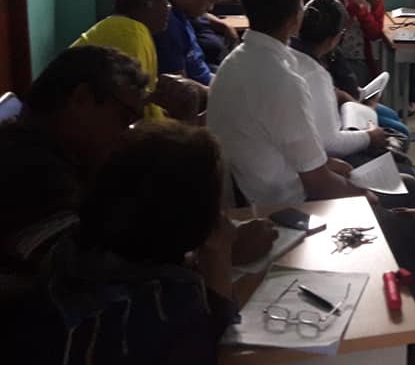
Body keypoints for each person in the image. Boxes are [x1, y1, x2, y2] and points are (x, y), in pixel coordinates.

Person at [0, 47, 276, 274]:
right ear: (81, 99)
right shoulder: (26, 168)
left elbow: (131, 217)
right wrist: (217, 255)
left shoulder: (64, 151)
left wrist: (183, 127)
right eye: (125, 118)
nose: (128, 134)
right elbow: (81, 274)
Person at [10, 122, 238, 364]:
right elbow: (221, 347)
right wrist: (219, 255)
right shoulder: (170, 303)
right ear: (198, 222)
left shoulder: (66, 255)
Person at [208, 0, 366, 206]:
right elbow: (318, 183)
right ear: (295, 18)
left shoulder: (233, 62)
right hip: (283, 206)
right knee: (402, 187)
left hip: (257, 187)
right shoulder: (283, 80)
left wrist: (325, 163)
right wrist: (367, 198)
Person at [72, 0, 197, 121]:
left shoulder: (122, 27)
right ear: (148, 1)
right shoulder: (130, 33)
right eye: (165, 0)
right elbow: (135, 113)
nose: (169, 8)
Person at [291, 0, 410, 139]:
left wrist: (354, 100)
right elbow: (332, 142)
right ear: (333, 39)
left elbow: (338, 92)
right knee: (401, 133)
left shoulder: (293, 51)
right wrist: (368, 112)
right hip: (340, 120)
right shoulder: (316, 73)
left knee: (392, 116)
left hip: (346, 104)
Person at [323, 0, 385, 87]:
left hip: (362, 60)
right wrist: (353, 5)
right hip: (333, 57)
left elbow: (375, 34)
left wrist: (362, 10)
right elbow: (330, 28)